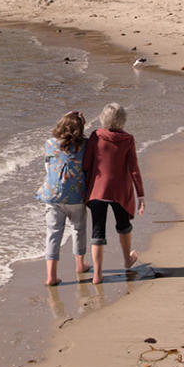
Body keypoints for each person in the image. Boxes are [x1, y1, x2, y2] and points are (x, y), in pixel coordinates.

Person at [82, 103, 145, 284]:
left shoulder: (96, 136)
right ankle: (127, 259)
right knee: (123, 226)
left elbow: (86, 163)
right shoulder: (128, 139)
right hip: (120, 191)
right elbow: (134, 169)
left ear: (103, 118)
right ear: (123, 120)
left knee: (97, 231)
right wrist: (140, 194)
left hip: (98, 190)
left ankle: (97, 274)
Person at [36, 110, 90, 286]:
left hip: (52, 195)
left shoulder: (50, 143)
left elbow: (47, 166)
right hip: (76, 196)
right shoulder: (86, 145)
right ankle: (80, 264)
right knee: (78, 229)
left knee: (53, 234)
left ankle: (51, 276)